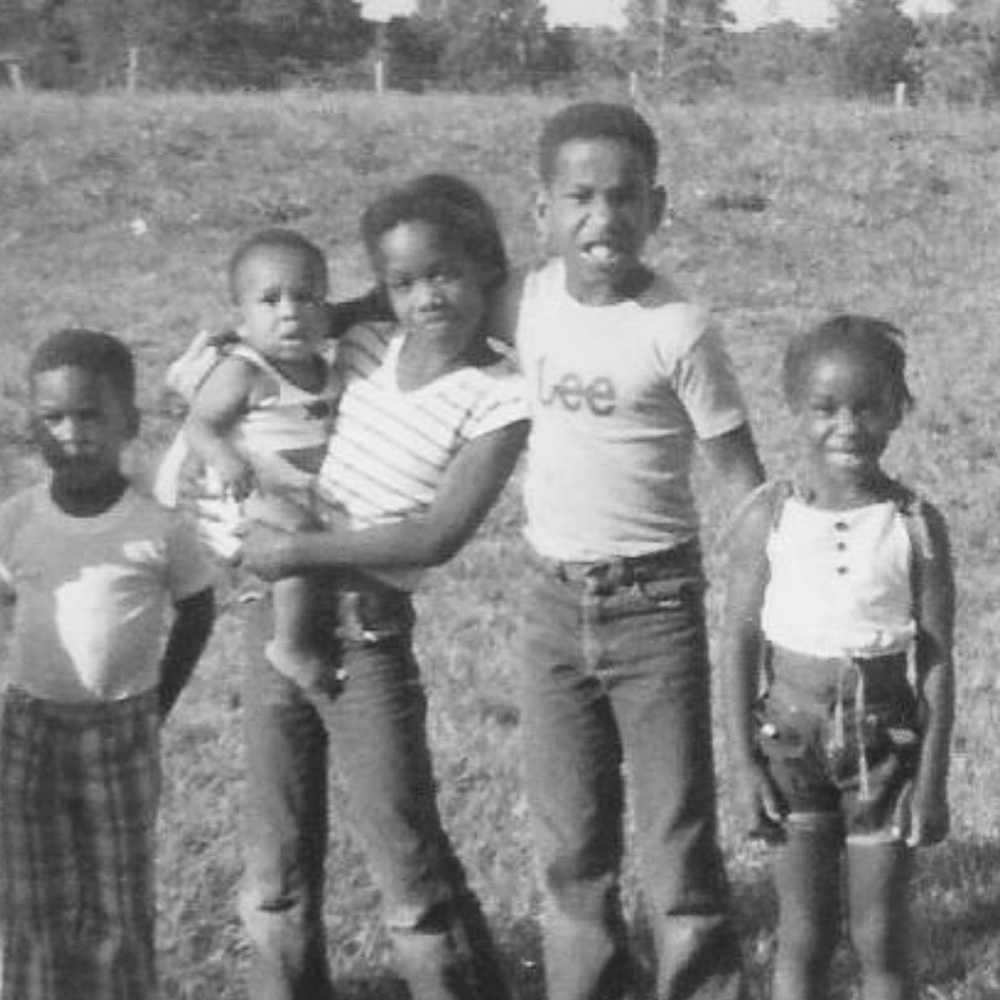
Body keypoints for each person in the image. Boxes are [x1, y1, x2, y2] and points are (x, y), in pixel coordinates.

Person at [237, 174, 530, 1000]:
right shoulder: (365, 342)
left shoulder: (502, 396)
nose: (427, 297)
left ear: (488, 273)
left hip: (364, 632)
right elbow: (280, 321)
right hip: (275, 616)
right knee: (277, 856)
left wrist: (303, 549)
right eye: (403, 282)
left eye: (446, 274)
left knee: (406, 858)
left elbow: (438, 537)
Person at [497, 101, 763, 1000]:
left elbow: (741, 474)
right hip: (550, 606)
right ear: (542, 211)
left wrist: (784, 573)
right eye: (579, 197)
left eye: (623, 198)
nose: (601, 219)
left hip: (657, 608)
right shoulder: (521, 301)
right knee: (571, 846)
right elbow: (421, 293)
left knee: (676, 841)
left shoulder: (676, 328)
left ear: (659, 206)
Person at [722, 315, 955, 1000]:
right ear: (795, 411)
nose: (847, 425)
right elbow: (738, 640)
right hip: (790, 748)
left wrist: (933, 779)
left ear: (898, 408)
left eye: (868, 405)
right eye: (825, 408)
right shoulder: (770, 516)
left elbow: (938, 655)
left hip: (883, 747)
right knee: (804, 934)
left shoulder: (914, 523)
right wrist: (742, 767)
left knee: (882, 938)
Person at [0, 329, 216, 999]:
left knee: (117, 896)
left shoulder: (157, 527)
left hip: (120, 732)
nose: (72, 433)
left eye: (91, 415)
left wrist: (158, 703)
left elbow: (199, 609)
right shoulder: (16, 519)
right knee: (32, 893)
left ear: (129, 422)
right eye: (53, 417)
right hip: (29, 729)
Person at [157, 228, 340, 690]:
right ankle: (290, 647)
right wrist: (224, 458)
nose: (290, 313)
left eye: (306, 297)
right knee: (295, 537)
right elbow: (200, 425)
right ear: (240, 318)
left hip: (294, 491)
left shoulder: (327, 369)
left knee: (312, 537)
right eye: (270, 300)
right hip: (243, 490)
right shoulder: (244, 371)